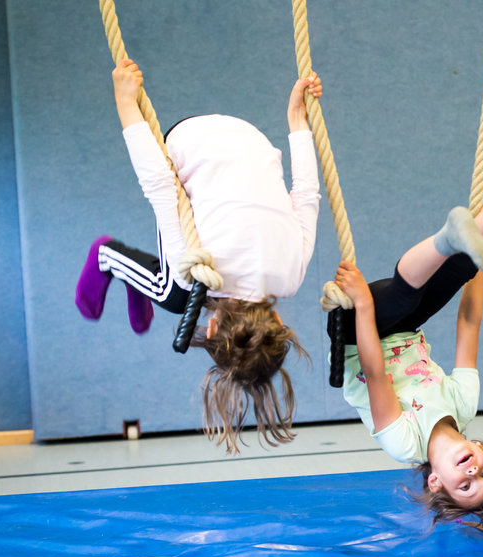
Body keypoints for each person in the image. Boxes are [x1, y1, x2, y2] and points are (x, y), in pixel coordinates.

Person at [75, 58, 323, 454]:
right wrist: (126, 105)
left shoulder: (291, 277)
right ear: (209, 330)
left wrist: (296, 119)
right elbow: (160, 186)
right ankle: (106, 256)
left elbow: (306, 194)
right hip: (188, 140)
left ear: (275, 320)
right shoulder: (196, 269)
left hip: (254, 139)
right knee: (177, 293)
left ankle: (139, 282)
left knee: (177, 293)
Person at [331, 163, 483, 535]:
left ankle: (449, 237)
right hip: (402, 327)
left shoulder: (404, 443)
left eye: (465, 484)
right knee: (456, 270)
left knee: (404, 297)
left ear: (435, 483)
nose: (472, 471)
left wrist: (363, 302)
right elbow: (468, 323)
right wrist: (477, 258)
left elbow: (375, 371)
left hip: (356, 334)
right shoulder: (463, 403)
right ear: (482, 449)